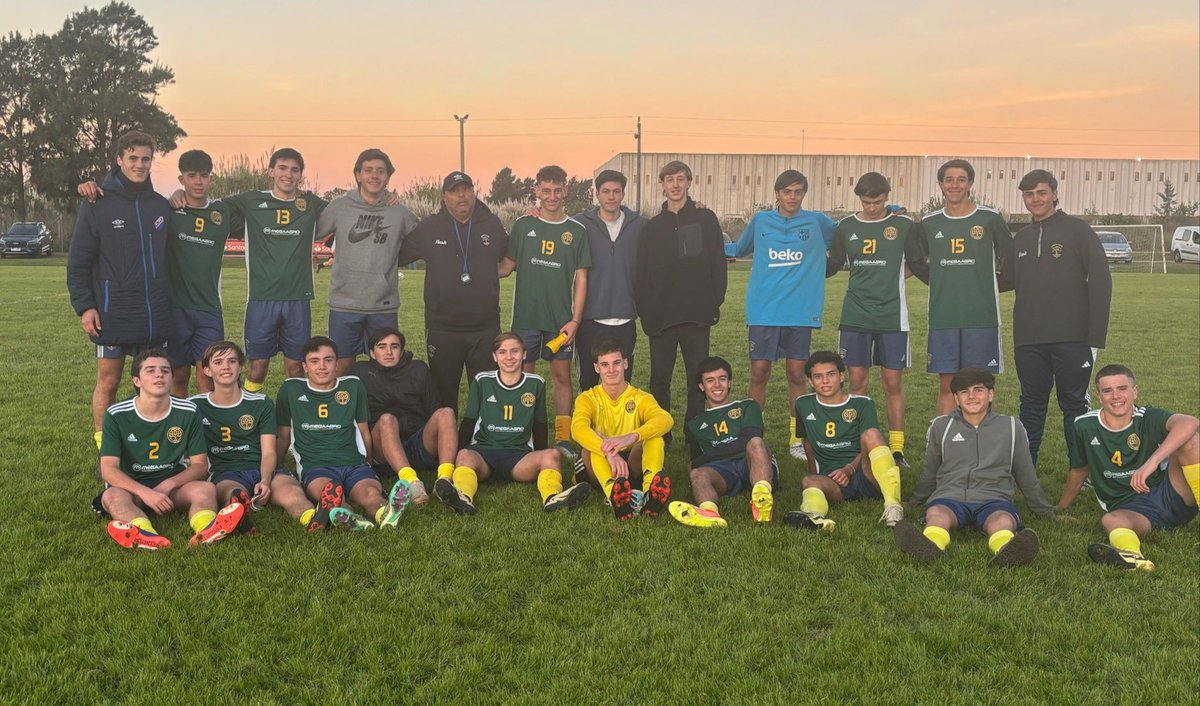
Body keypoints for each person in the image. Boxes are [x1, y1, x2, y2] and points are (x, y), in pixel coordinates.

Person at [75, 149, 240, 397]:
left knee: (210, 377)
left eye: (204, 176)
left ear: (211, 178)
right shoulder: (168, 209)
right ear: (181, 178)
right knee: (178, 375)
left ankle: (208, 432)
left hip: (209, 309)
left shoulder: (222, 212)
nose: (198, 181)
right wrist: (92, 186)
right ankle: (180, 430)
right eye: (191, 175)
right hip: (172, 309)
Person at [67, 131, 172, 449]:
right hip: (113, 314)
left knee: (153, 386)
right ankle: (105, 447)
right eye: (133, 158)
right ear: (118, 160)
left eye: (145, 159)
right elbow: (78, 263)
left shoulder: (160, 205)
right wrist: (85, 306)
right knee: (109, 382)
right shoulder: (97, 203)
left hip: (153, 316)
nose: (140, 165)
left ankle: (152, 445)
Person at [1003, 169, 1112, 468]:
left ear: (1054, 193)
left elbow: (1101, 281)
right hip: (1028, 338)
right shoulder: (1021, 238)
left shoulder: (1078, 230)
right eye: (1029, 194)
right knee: (1031, 406)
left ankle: (1080, 471)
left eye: (1041, 192)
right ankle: (1025, 471)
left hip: (1072, 338)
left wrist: (1095, 337)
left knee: (1074, 405)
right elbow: (1003, 281)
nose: (1035, 199)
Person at [725, 169, 834, 460]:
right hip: (765, 310)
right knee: (759, 372)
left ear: (804, 194)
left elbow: (853, 234)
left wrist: (889, 212)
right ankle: (753, 438)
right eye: (787, 191)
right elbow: (738, 248)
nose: (793, 197)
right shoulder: (761, 220)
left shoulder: (818, 222)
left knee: (797, 374)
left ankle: (796, 439)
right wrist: (705, 240)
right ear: (777, 193)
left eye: (798, 192)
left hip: (800, 312)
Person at [895, 368, 1054, 566]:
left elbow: (1026, 475)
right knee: (937, 515)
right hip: (950, 496)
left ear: (990, 394)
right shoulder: (941, 426)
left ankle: (1007, 550)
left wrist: (1045, 511)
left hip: (993, 497)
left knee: (1002, 521)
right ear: (956, 398)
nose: (971, 396)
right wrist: (914, 502)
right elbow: (930, 471)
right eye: (964, 392)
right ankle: (930, 546)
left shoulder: (1012, 427)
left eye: (978, 390)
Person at [94, 349, 246, 550]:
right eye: (151, 370)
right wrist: (145, 493)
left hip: (173, 487)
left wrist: (167, 484)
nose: (159, 375)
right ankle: (145, 534)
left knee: (206, 489)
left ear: (172, 378)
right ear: (136, 381)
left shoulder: (188, 411)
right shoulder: (116, 414)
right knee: (111, 497)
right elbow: (109, 469)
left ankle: (207, 530)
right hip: (133, 487)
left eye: (165, 371)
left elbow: (200, 465)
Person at [827, 172, 928, 468]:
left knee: (892, 381)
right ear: (859, 198)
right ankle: (858, 445)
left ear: (887, 197)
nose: (872, 207)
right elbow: (831, 266)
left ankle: (897, 449)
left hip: (892, 317)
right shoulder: (846, 227)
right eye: (867, 202)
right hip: (855, 315)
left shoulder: (903, 225)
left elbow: (918, 264)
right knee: (857, 382)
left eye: (879, 202)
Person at [1056, 364, 1199, 571]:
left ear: (1135, 391)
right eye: (1107, 391)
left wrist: (1152, 463)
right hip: (1131, 507)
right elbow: (1079, 469)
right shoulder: (1083, 426)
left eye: (1122, 389)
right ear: (1098, 396)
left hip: (1171, 492)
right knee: (1111, 520)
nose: (1116, 396)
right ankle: (1134, 558)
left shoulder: (1147, 416)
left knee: (1191, 440)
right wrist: (1061, 507)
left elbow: (1190, 422)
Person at [444, 333, 591, 515]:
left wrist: (540, 456)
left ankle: (553, 497)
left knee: (552, 455)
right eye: (502, 352)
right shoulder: (482, 380)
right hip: (484, 454)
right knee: (465, 454)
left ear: (524, 354)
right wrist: (457, 456)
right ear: (494, 356)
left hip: (519, 457)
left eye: (515, 351)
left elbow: (540, 424)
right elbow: (469, 421)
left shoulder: (536, 383)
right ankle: (462, 496)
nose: (509, 357)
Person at [398, 171, 508, 413]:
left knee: (487, 393)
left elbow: (510, 255)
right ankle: (446, 448)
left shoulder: (491, 223)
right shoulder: (429, 227)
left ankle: (483, 446)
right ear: (444, 196)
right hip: (443, 328)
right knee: (443, 395)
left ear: (474, 192)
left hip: (485, 327)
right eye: (454, 191)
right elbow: (395, 254)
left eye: (466, 189)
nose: (461, 195)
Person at [220, 148, 328, 392]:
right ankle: (247, 412)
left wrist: (386, 198)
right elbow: (212, 206)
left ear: (301, 174)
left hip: (298, 299)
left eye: (294, 170)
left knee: (295, 368)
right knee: (257, 367)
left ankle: (293, 422)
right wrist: (177, 195)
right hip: (261, 299)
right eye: (282, 168)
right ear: (271, 171)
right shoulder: (252, 200)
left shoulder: (310, 203)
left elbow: (345, 212)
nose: (288, 174)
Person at [190, 341, 327, 533]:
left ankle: (312, 518)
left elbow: (269, 450)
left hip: (260, 466)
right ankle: (240, 515)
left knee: (291, 491)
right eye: (218, 362)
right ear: (207, 370)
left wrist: (264, 479)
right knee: (232, 493)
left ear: (240, 367)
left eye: (232, 361)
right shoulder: (194, 406)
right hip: (224, 471)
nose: (226, 367)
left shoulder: (260, 403)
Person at [275, 336, 409, 531]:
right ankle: (351, 518)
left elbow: (363, 431)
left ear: (337, 363)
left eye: (328, 360)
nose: (322, 366)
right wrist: (275, 468)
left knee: (370, 493)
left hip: (353, 462)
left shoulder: (352, 386)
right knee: (329, 495)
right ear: (305, 366)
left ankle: (385, 514)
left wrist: (367, 463)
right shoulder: (291, 390)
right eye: (314, 361)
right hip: (316, 466)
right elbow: (284, 435)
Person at [499, 165, 591, 446]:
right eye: (546, 190)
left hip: (560, 321)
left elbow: (581, 279)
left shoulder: (576, 231)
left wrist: (575, 321)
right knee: (525, 376)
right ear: (537, 190)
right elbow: (506, 266)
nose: (551, 196)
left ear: (565, 191)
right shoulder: (524, 225)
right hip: (526, 317)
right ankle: (524, 435)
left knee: (561, 376)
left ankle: (563, 441)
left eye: (557, 190)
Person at [635, 160, 727, 426]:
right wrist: (646, 312)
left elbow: (717, 264)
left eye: (680, 179)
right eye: (669, 180)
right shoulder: (651, 227)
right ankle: (661, 433)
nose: (675, 185)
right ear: (662, 185)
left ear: (689, 181)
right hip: (661, 317)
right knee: (659, 380)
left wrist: (713, 301)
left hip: (696, 315)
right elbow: (640, 274)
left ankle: (694, 432)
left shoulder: (705, 218)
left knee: (697, 378)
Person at [920, 159, 1014, 414]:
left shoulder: (989, 219)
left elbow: (1011, 257)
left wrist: (993, 284)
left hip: (981, 316)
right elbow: (917, 260)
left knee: (979, 384)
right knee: (947, 383)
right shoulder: (929, 222)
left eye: (961, 179)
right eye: (949, 179)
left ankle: (981, 441)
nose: (955, 185)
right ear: (940, 184)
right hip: (943, 315)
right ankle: (943, 443)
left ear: (970, 184)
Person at [318, 149, 418, 375]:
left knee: (386, 366)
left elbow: (422, 240)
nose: (375, 176)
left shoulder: (399, 212)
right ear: (357, 175)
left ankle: (383, 411)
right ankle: (344, 409)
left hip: (383, 304)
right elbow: (309, 232)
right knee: (342, 366)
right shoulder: (340, 207)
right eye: (368, 170)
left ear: (388, 177)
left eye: (381, 171)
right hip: (345, 303)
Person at [784, 351, 904, 532]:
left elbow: (873, 444)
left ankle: (893, 507)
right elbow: (806, 440)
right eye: (818, 376)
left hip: (866, 473)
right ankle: (813, 516)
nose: (825, 381)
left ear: (841, 376)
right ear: (810, 381)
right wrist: (817, 473)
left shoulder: (862, 404)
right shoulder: (803, 404)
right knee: (809, 481)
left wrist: (849, 469)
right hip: (834, 479)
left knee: (872, 435)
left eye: (831, 374)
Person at [350, 327, 460, 506]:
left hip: (416, 443)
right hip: (383, 448)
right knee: (387, 419)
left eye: (394, 347)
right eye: (382, 347)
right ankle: (411, 482)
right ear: (371, 352)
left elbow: (434, 408)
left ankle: (444, 480)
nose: (388, 352)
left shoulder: (418, 369)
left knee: (446, 413)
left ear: (401, 351)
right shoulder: (359, 372)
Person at [670, 356, 778, 528]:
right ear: (701, 386)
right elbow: (695, 463)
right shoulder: (695, 424)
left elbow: (750, 440)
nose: (717, 385)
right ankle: (709, 513)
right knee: (697, 474)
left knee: (757, 444)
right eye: (710, 381)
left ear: (729, 382)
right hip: (723, 471)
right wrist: (710, 459)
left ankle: (762, 501)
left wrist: (713, 453)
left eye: (722, 379)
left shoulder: (748, 406)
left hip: (751, 462)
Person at [571, 339, 673, 520]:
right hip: (597, 467)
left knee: (655, 437)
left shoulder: (640, 397)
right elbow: (578, 429)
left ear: (625, 363)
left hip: (631, 465)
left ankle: (651, 492)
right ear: (597, 368)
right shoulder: (588, 398)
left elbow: (665, 419)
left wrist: (631, 436)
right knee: (593, 443)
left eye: (616, 363)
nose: (611, 370)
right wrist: (608, 450)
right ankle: (615, 496)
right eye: (604, 364)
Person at [571, 169, 645, 391]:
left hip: (625, 318)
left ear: (623, 194)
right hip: (589, 319)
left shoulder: (640, 226)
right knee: (588, 383)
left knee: (622, 383)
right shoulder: (579, 224)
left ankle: (619, 426)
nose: (611, 196)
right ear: (597, 194)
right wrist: (533, 213)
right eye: (606, 192)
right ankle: (588, 426)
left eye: (616, 191)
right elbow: (552, 226)